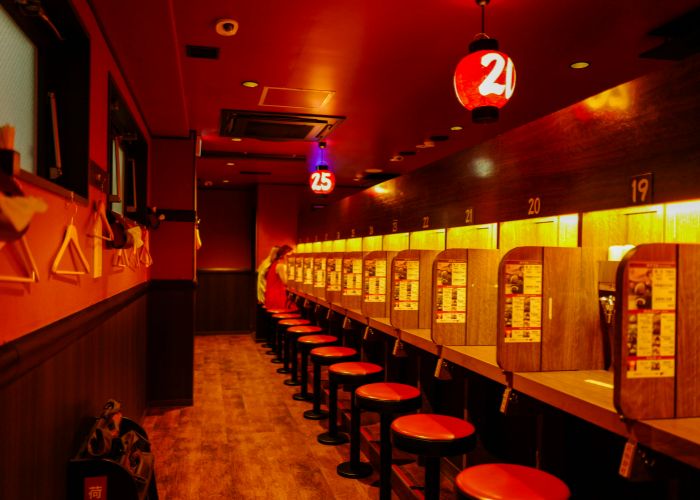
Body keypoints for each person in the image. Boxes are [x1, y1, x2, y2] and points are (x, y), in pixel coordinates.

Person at [264, 245, 292, 309]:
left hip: (271, 295)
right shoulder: (280, 266)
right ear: (282, 255)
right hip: (276, 296)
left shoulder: (275, 263)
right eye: (289, 256)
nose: (291, 258)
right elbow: (286, 282)